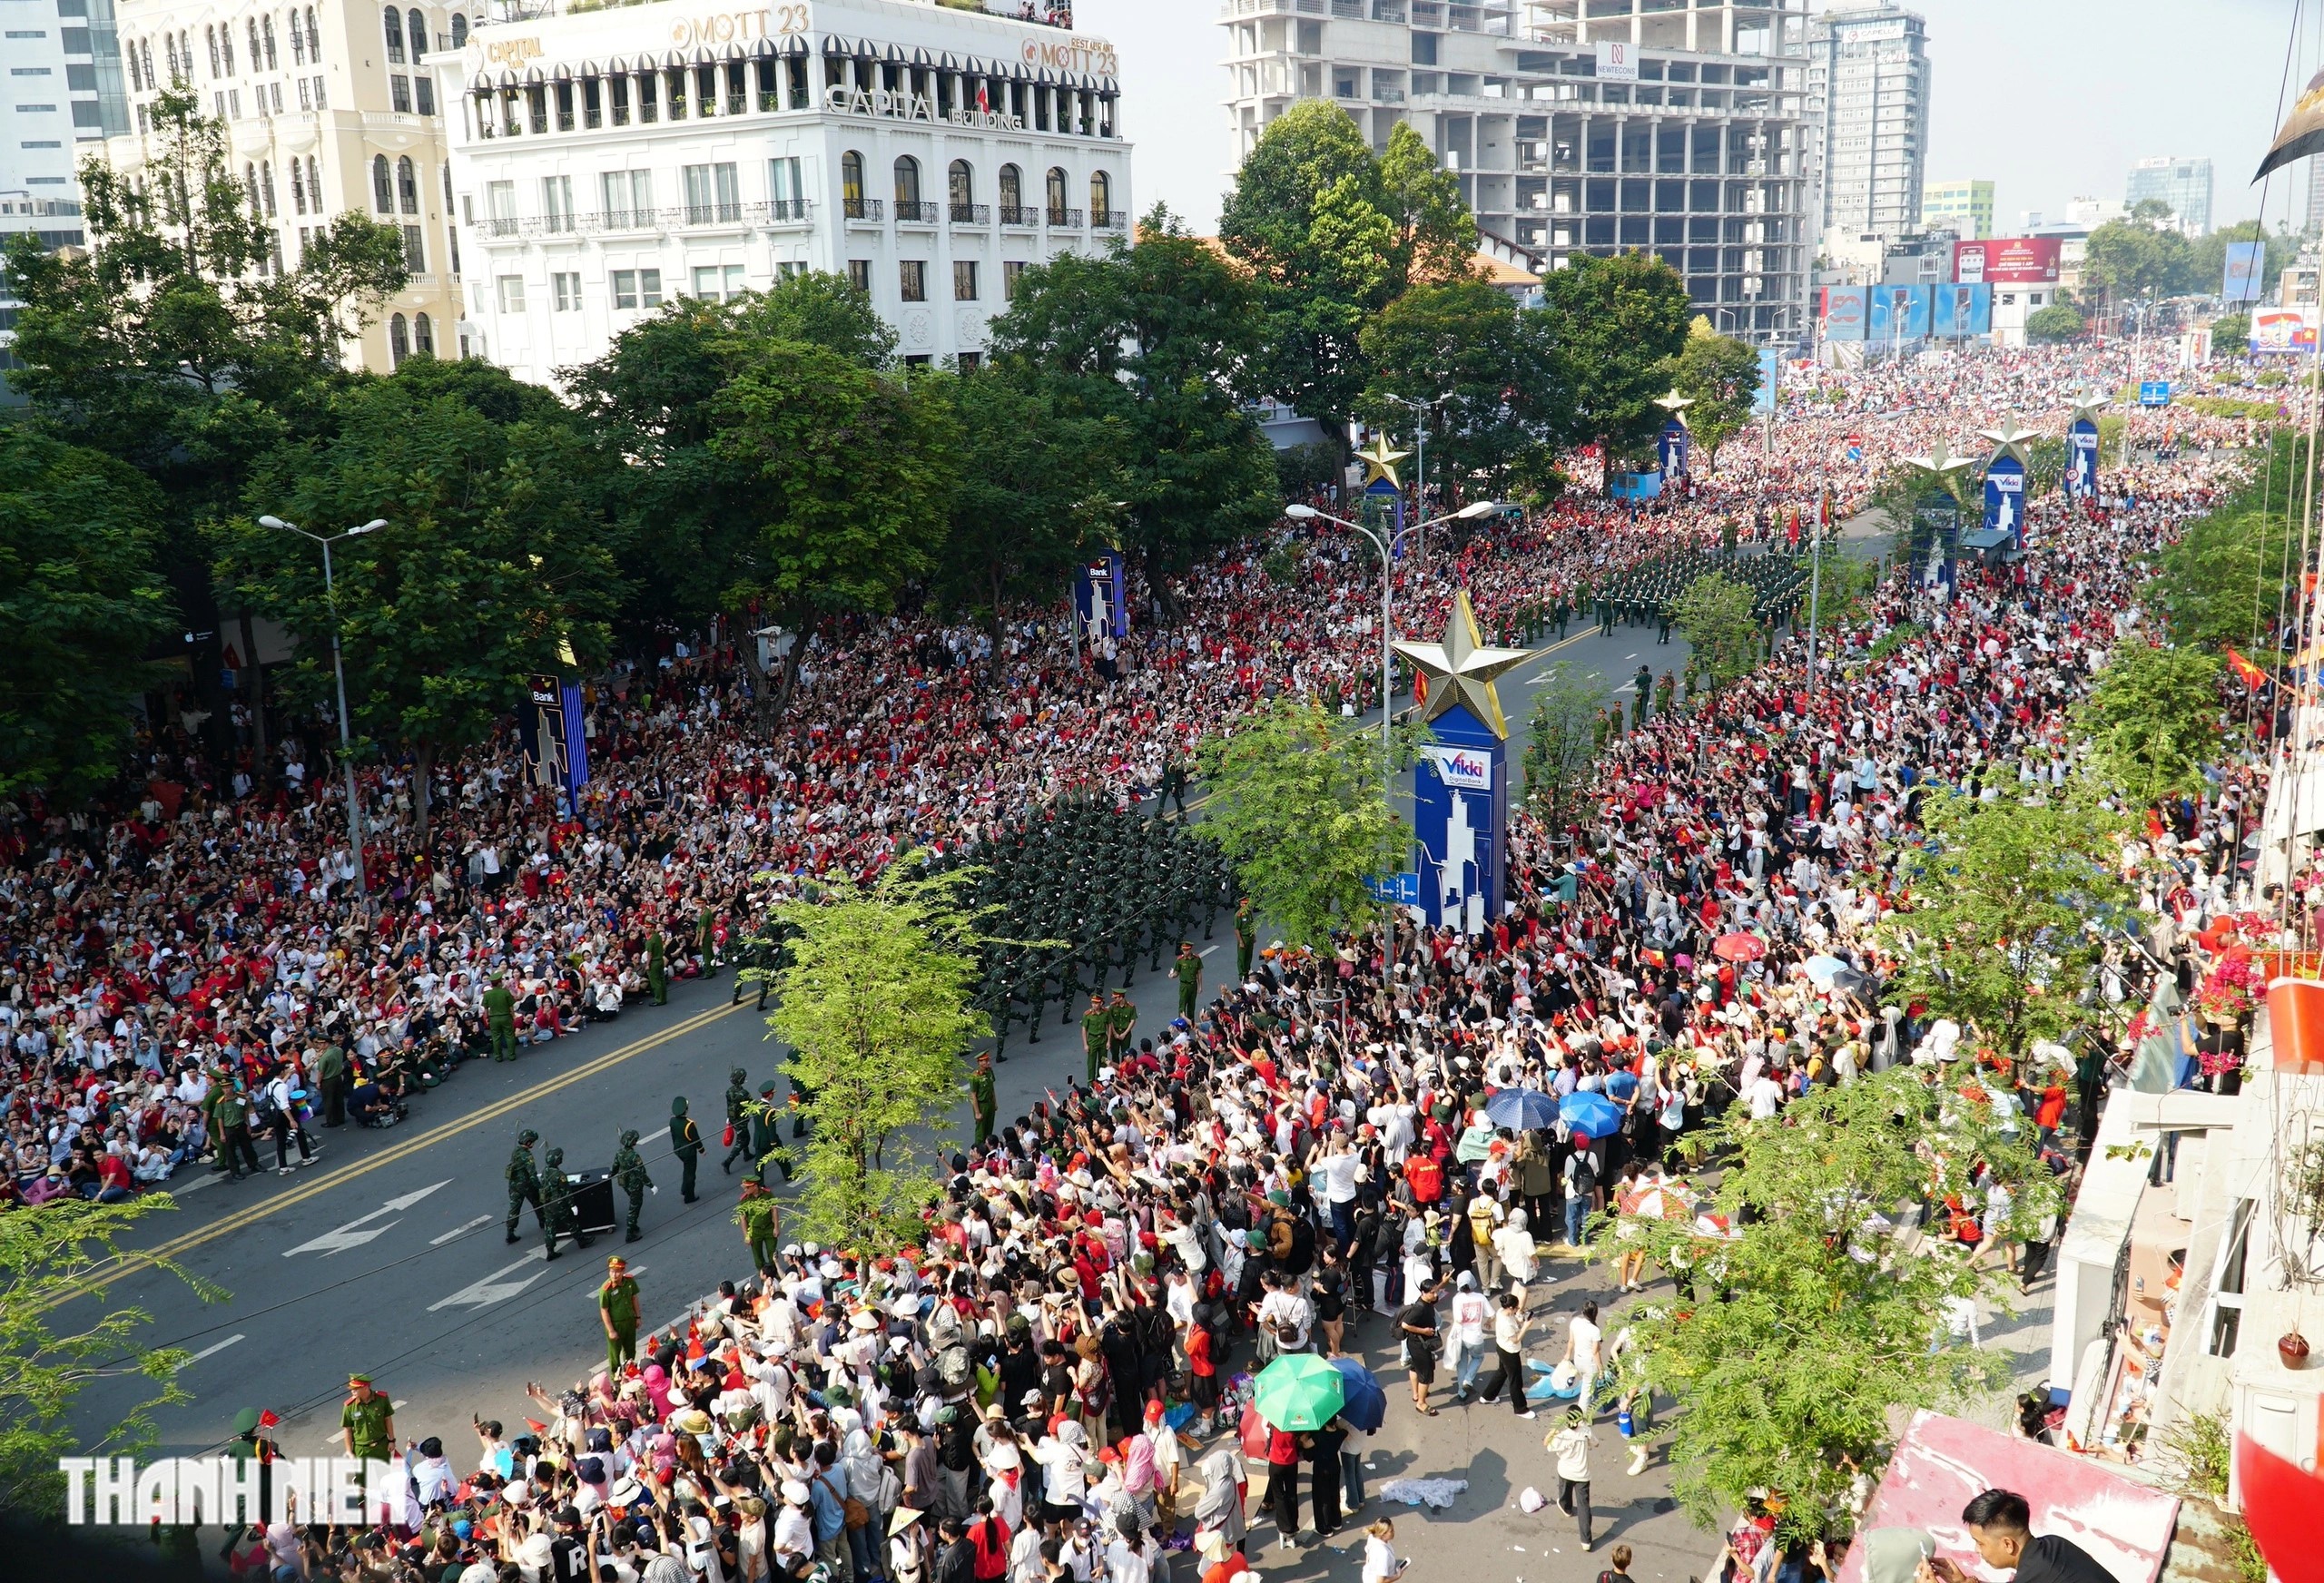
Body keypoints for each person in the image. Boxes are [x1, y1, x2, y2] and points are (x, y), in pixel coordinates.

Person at [1920, 1489, 2115, 1583]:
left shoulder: (2032, 1576)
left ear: (2007, 1544)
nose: (1977, 1550)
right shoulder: (2055, 1545)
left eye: (1980, 1543)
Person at [1547, 1405, 1595, 1552]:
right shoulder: (1586, 1431)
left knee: (1564, 1491)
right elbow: (1595, 1443)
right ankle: (1586, 1540)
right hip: (1582, 1474)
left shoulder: (1563, 1435)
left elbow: (1549, 1446)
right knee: (1584, 1505)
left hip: (1566, 1471)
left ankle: (1566, 1508)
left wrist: (1552, 1433)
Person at [1398, 1280, 1442, 1416]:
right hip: (1419, 1344)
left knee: (1415, 1367)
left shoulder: (1427, 1301)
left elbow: (1434, 1293)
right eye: (1432, 1292)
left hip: (1416, 1343)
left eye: (1436, 1291)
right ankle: (1421, 1403)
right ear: (1424, 1293)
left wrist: (1443, 1282)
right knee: (1426, 1374)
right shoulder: (1419, 1308)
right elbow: (1405, 1325)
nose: (1435, 1295)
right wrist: (1424, 1331)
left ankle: (1416, 1394)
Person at [611, 1129, 653, 1243]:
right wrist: (651, 1185)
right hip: (635, 1185)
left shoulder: (619, 1153)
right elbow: (641, 1173)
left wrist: (609, 1175)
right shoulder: (635, 1156)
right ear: (633, 1142)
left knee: (634, 1203)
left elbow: (615, 1167)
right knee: (634, 1207)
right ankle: (630, 1233)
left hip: (625, 1183)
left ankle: (633, 1224)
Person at [340, 1372, 393, 1462]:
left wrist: (392, 1440)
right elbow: (347, 1430)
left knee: (385, 1474)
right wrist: (349, 1452)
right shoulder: (349, 1406)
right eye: (351, 1388)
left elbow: (387, 1419)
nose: (352, 1391)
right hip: (362, 1450)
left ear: (365, 1387)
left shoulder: (382, 1399)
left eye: (355, 1389)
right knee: (363, 1476)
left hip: (381, 1446)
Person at [506, 1128, 545, 1245]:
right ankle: (543, 1221)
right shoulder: (528, 1157)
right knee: (537, 1202)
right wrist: (540, 1187)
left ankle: (510, 1231)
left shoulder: (516, 1151)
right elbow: (532, 1176)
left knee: (514, 1207)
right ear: (528, 1142)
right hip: (525, 1184)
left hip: (514, 1184)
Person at [737, 1178, 779, 1273]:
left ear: (755, 1186)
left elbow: (774, 1210)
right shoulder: (745, 1199)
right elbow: (743, 1219)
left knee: (772, 1251)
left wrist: (776, 1227)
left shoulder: (767, 1194)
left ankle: (774, 1271)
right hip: (755, 1231)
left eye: (747, 1188)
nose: (745, 1190)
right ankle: (762, 1274)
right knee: (758, 1256)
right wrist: (746, 1236)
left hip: (769, 1227)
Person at [721, 1067, 754, 1175]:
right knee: (743, 1140)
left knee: (744, 1136)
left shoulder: (729, 1091)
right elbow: (752, 1104)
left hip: (732, 1119)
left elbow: (728, 1105)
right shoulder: (744, 1093)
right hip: (742, 1120)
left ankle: (747, 1154)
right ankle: (728, 1161)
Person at [671, 1095, 703, 1203]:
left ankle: (684, 1188)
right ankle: (689, 1196)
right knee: (690, 1174)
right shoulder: (689, 1124)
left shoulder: (672, 1121)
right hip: (689, 1152)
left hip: (678, 1149)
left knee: (686, 1169)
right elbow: (696, 1140)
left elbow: (673, 1136)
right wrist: (702, 1150)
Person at [484, 974, 519, 1062]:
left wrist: (487, 1018)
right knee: (509, 1036)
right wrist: (513, 1016)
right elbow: (511, 1006)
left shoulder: (487, 994)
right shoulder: (505, 992)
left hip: (494, 1018)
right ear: (499, 983)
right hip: (506, 1016)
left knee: (496, 1037)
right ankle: (511, 1055)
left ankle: (498, 1056)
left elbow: (485, 1009)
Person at [1360, 1519, 1404, 1583]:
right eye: (1391, 1531)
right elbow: (1380, 1581)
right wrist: (1397, 1576)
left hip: (1368, 1577)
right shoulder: (1383, 1554)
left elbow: (1368, 1554)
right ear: (1383, 1534)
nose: (1394, 1532)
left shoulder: (1372, 1536)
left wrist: (1369, 1566)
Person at [970, 1053, 999, 1147]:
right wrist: (977, 1112)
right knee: (980, 1131)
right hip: (981, 1105)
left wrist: (995, 1102)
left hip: (990, 1103)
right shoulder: (975, 1077)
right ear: (980, 1062)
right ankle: (979, 1150)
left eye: (988, 1060)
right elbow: (973, 1095)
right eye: (985, 1061)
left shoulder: (989, 1071)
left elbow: (992, 1088)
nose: (988, 1062)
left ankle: (988, 1147)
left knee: (989, 1128)